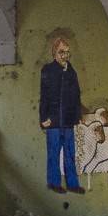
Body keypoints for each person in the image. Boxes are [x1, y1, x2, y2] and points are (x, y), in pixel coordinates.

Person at [36, 31, 85, 195]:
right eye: (61, 52)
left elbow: (76, 95)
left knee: (70, 153)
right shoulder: (48, 70)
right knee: (54, 153)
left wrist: (78, 116)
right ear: (54, 53)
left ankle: (72, 184)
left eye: (67, 52)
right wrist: (43, 118)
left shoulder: (71, 72)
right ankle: (54, 182)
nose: (65, 55)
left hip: (69, 120)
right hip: (53, 121)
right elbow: (44, 96)